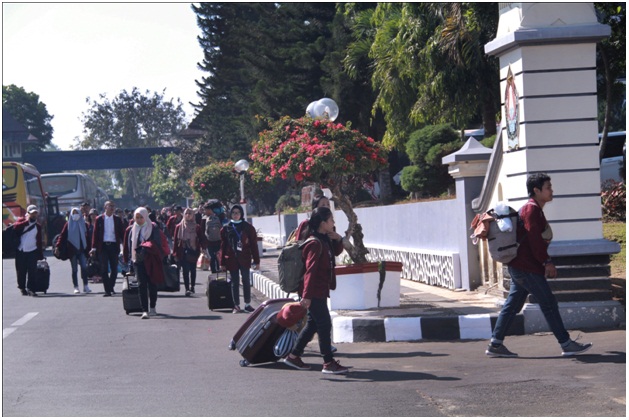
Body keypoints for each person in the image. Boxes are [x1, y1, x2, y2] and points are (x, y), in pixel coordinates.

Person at [486, 173, 593, 358]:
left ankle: (495, 344)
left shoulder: (533, 209)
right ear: (536, 190)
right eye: (548, 187)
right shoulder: (531, 210)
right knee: (549, 304)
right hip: (527, 267)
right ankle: (566, 344)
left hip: (520, 266)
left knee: (512, 306)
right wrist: (547, 261)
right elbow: (535, 240)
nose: (551, 191)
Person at [282, 207, 348, 374]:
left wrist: (337, 238)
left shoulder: (324, 239)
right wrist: (307, 296)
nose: (334, 223)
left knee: (313, 324)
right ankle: (328, 362)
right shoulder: (314, 243)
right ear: (323, 223)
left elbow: (335, 253)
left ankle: (293, 356)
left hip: (320, 289)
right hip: (313, 291)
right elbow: (310, 271)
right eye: (331, 220)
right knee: (324, 324)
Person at [124, 207, 166, 319]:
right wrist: (130, 263)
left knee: (152, 284)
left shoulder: (153, 227)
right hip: (138, 260)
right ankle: (144, 310)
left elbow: (158, 243)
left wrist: (147, 247)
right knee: (141, 285)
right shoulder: (132, 229)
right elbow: (129, 247)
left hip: (151, 259)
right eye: (136, 217)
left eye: (141, 217)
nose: (138, 220)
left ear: (145, 217)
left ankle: (152, 307)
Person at [219, 204, 260, 313]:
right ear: (230, 214)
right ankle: (236, 305)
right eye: (233, 213)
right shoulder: (226, 228)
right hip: (231, 259)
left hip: (245, 258)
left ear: (241, 214)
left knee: (246, 280)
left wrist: (257, 261)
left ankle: (247, 304)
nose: (236, 215)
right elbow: (223, 246)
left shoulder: (248, 227)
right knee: (234, 282)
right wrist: (222, 262)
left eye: (238, 213)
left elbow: (254, 245)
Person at [90, 201, 125, 297]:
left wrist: (125, 246)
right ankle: (107, 290)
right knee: (104, 268)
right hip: (103, 246)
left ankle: (111, 286)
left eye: (113, 206)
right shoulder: (99, 219)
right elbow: (95, 234)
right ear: (105, 207)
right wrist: (93, 247)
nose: (112, 208)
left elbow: (122, 234)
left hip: (114, 246)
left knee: (114, 269)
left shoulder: (117, 219)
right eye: (110, 206)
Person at [56, 207, 92, 294]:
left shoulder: (84, 224)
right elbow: (62, 236)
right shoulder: (68, 224)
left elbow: (88, 238)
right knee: (74, 269)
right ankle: (76, 287)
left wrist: (90, 248)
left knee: (84, 268)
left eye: (77, 213)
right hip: (72, 251)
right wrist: (57, 246)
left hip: (82, 250)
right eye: (74, 213)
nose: (75, 215)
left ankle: (85, 286)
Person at [173, 208, 206, 296]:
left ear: (193, 215)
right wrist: (175, 253)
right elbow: (176, 240)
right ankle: (187, 288)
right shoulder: (179, 226)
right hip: (183, 251)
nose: (188, 215)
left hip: (194, 250)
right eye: (186, 213)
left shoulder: (197, 227)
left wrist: (204, 248)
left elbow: (201, 238)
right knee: (185, 270)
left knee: (193, 270)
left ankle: (193, 286)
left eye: (190, 213)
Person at [13, 205, 44, 296]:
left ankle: (31, 289)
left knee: (32, 271)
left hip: (32, 251)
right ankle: (22, 287)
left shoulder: (38, 226)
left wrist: (40, 255)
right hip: (21, 250)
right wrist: (26, 222)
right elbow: (15, 227)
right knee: (21, 271)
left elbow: (39, 241)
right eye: (32, 213)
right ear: (28, 213)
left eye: (35, 213)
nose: (34, 215)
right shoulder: (22, 221)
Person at [203, 203, 222, 273]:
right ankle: (215, 270)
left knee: (215, 256)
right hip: (212, 241)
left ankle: (216, 269)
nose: (205, 212)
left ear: (209, 210)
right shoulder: (205, 218)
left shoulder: (218, 217)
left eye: (205, 210)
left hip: (214, 241)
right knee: (213, 256)